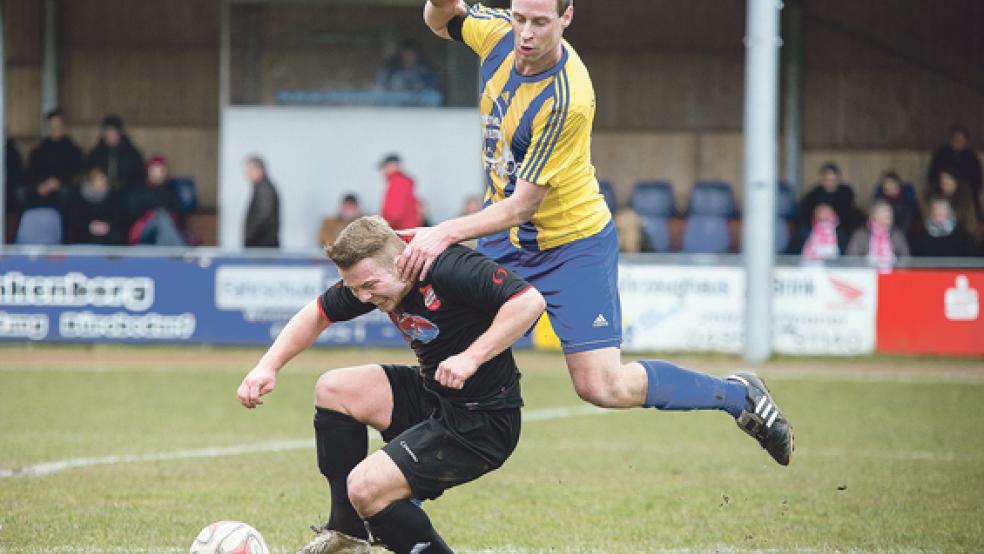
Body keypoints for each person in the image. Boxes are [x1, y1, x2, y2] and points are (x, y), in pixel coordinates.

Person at [403, 0, 792, 467]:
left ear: (567, 18)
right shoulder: (497, 34)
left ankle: (737, 395)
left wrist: (443, 232)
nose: (525, 33)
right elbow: (441, 20)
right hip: (503, 241)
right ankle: (397, 484)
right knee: (447, 342)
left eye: (540, 23)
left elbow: (523, 205)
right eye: (520, 19)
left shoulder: (568, 97)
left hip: (572, 246)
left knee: (601, 386)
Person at [236, 216, 546, 554]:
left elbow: (529, 302)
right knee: (334, 389)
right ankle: (348, 533)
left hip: (482, 420)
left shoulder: (447, 266)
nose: (364, 297)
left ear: (400, 262)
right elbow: (318, 312)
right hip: (435, 396)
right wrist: (268, 366)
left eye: (368, 286)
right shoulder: (372, 278)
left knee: (366, 487)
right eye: (355, 289)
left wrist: (471, 357)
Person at [25, 109, 85, 206]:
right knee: (22, 192)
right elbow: (30, 172)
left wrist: (58, 182)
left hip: (63, 186)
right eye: (52, 126)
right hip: (42, 186)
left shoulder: (74, 150)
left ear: (64, 127)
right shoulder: (38, 150)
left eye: (58, 126)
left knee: (67, 192)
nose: (55, 129)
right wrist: (40, 185)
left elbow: (78, 173)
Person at [126, 155, 186, 246]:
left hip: (164, 231)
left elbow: (179, 213)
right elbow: (133, 213)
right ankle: (182, 253)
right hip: (142, 232)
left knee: (163, 225)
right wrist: (154, 213)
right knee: (160, 216)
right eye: (154, 170)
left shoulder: (171, 190)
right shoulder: (139, 189)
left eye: (160, 170)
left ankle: (170, 255)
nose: (157, 174)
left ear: (165, 172)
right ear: (148, 171)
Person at [927, 126, 982, 220]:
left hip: (965, 193)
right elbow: (932, 175)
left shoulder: (972, 157)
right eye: (956, 139)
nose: (958, 142)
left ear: (966, 141)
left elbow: (977, 181)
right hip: (941, 191)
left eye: (961, 139)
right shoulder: (942, 154)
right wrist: (942, 185)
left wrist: (964, 189)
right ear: (951, 140)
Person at [797, 162, 862, 237]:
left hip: (840, 227)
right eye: (827, 180)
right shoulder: (813, 194)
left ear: (838, 180)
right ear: (822, 180)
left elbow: (849, 213)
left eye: (833, 180)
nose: (830, 183)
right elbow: (804, 214)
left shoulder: (846, 193)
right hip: (816, 226)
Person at [845, 199, 909, 271]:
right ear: (873, 216)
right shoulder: (860, 234)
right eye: (884, 212)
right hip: (867, 276)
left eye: (889, 212)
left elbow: (905, 258)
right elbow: (851, 257)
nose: (888, 215)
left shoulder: (897, 234)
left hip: (892, 276)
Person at [87, 114, 146, 190]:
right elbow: (90, 173)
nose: (110, 137)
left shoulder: (132, 154)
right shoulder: (96, 153)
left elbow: (139, 177)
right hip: (101, 192)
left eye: (113, 133)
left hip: (126, 192)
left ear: (120, 133)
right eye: (107, 134)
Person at [375, 40, 442, 106]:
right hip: (393, 110)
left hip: (420, 110)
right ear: (401, 54)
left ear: (417, 54)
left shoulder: (425, 71)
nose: (409, 56)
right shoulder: (390, 71)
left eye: (412, 53)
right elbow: (380, 89)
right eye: (406, 53)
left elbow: (434, 93)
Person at [68, 167, 124, 245]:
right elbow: (75, 219)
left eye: (103, 180)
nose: (102, 183)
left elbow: (118, 218)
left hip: (108, 236)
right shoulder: (79, 197)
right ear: (91, 181)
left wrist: (107, 226)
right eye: (98, 180)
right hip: (84, 235)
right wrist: (90, 226)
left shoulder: (113, 196)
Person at [910, 197, 978, 257]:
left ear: (949, 213)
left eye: (942, 210)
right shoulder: (920, 236)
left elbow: (971, 260)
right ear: (931, 213)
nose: (939, 213)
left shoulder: (963, 236)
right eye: (936, 210)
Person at [243, 156, 281, 248]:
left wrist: (249, 236)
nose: (246, 174)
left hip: (262, 246)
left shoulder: (265, 190)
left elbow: (262, 217)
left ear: (259, 170)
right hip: (260, 245)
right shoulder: (261, 188)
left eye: (249, 170)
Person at [379, 154, 423, 231]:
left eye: (385, 167)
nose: (383, 171)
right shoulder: (404, 182)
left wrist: (383, 228)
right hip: (409, 231)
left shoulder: (397, 183)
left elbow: (394, 214)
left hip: (401, 234)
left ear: (393, 166)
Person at [873, 169, 919, 235]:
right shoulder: (879, 204)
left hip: (908, 236)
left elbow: (914, 222)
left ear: (898, 185)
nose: (891, 190)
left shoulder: (909, 201)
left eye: (893, 185)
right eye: (887, 189)